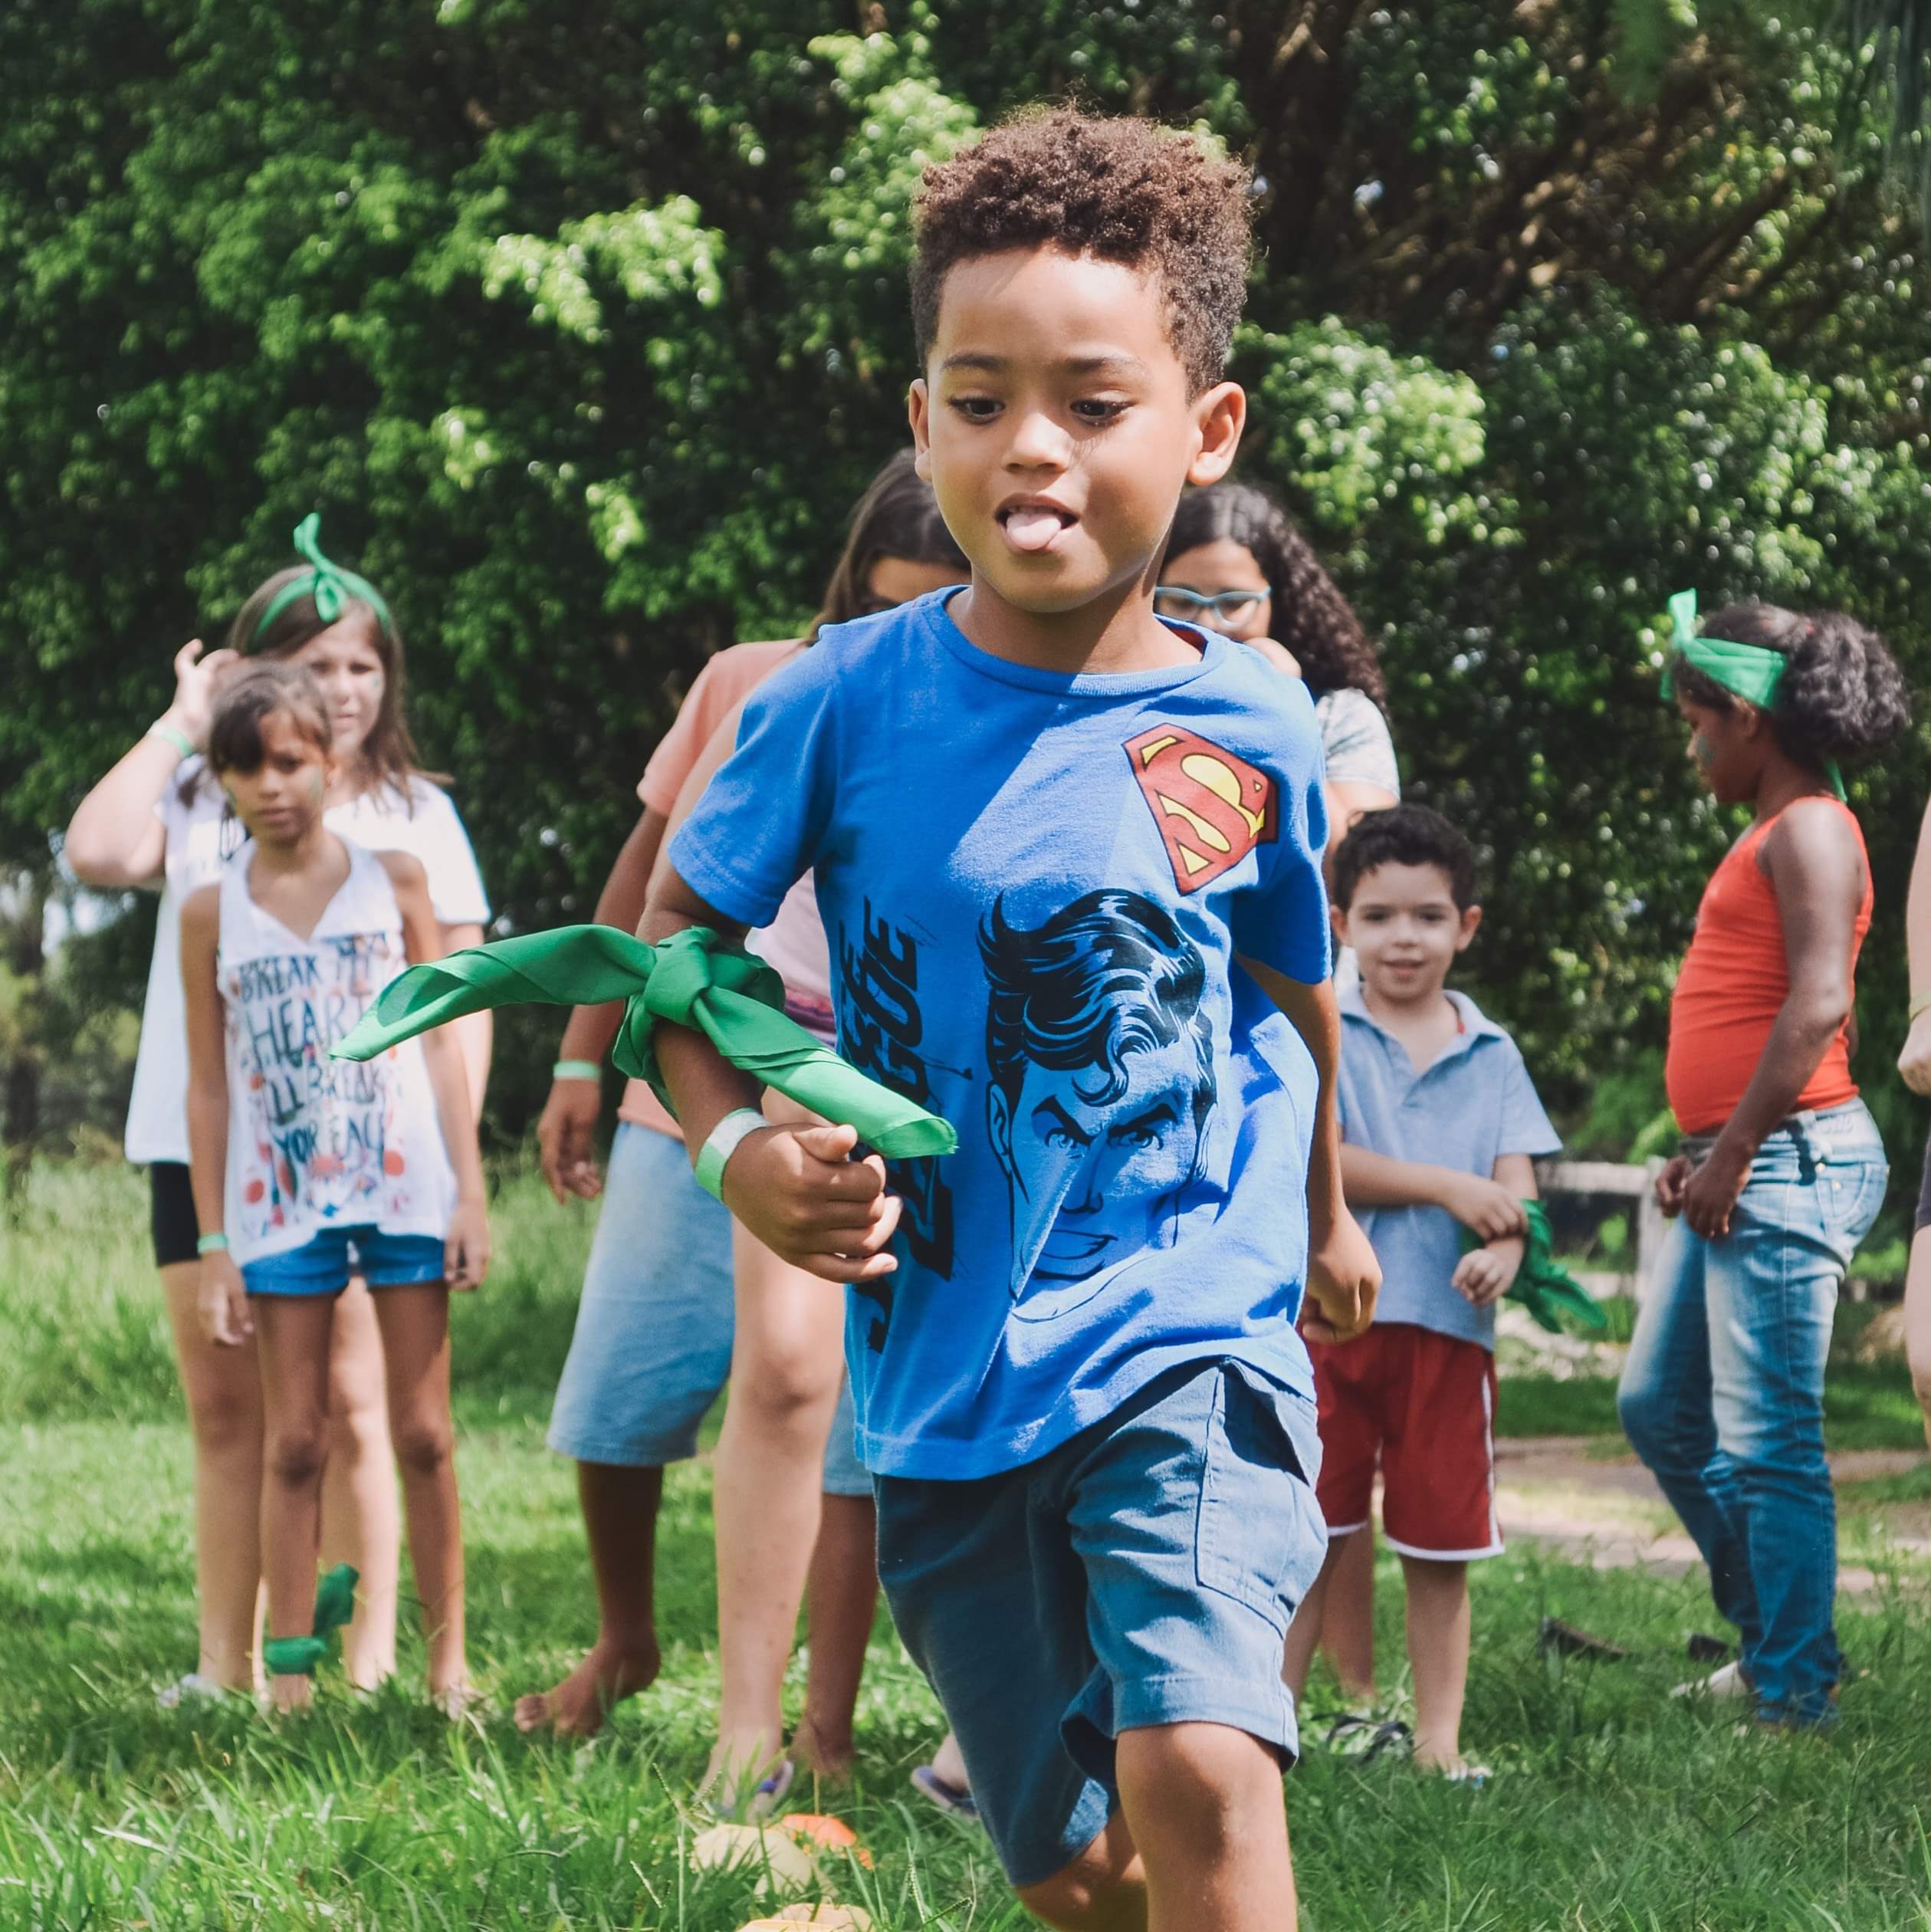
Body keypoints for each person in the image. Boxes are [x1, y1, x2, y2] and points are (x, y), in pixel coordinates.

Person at [642, 107, 1378, 1932]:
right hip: (952, 1371)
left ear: (1204, 429)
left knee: (1198, 1757)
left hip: (1187, 1324)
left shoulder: (1252, 725)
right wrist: (737, 1149)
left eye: (1089, 401)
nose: (1029, 448)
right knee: (1068, 1869)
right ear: (920, 426)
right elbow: (676, 949)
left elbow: (1290, 982)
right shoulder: (831, 702)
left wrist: (1324, 1214)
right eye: (977, 402)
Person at [515, 452, 966, 1806]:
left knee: (811, 1398)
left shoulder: (997, 710)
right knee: (624, 1396)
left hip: (869, 1078)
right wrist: (578, 1060)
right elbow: (649, 880)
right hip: (700, 1058)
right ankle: (639, 1647)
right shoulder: (759, 683)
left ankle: (794, 1728)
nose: (906, 643)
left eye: (935, 610)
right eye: (880, 609)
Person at [63, 518, 491, 1700]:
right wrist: (181, 719)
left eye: (360, 664)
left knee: (356, 1410)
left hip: (368, 1161)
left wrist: (456, 1176)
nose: (337, 688)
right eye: (307, 662)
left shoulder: (412, 820)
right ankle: (225, 1664)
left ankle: (362, 1662)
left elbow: (464, 1001)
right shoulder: (214, 793)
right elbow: (97, 849)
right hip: (202, 1151)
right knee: (227, 1407)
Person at [1618, 593, 1904, 1731]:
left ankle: (1792, 1689)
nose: (1689, 748)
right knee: (1656, 1408)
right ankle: (1782, 1645)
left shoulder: (1812, 830)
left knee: (1769, 1439)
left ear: (1741, 715)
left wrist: (1728, 1154)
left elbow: (1818, 1004)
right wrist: (1699, 1154)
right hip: (1740, 1158)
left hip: (1786, 1157)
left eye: (1693, 721)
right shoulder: (1769, 831)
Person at [182, 665, 490, 1714]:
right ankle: (289, 1682)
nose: (268, 786)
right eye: (241, 767)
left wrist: (469, 1192)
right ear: (220, 780)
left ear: (329, 762)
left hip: (403, 1185)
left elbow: (442, 1045)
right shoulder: (207, 913)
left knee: (421, 1432)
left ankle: (448, 1670)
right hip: (279, 1204)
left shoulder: (395, 878)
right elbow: (206, 1084)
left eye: (288, 762)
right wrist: (214, 1238)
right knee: (297, 1437)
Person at [1159, 476, 1398, 1701]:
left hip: (1288, 1052)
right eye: (1180, 597)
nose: (1208, 616)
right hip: (1160, 1053)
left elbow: (1328, 865)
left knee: (1287, 1383)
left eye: (1233, 602)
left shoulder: (1324, 714)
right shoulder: (1133, 696)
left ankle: (1285, 1679)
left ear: (1280, 604)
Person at [1279, 805, 1558, 1777]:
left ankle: (1438, 1745)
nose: (1404, 937)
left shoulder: (1493, 1051)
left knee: (1441, 1551)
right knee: (1309, 1536)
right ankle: (1268, 1735)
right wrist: (1448, 1187)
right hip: (1330, 1332)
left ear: (1465, 927)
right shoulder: (1323, 1028)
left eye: (1428, 917)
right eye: (1379, 915)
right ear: (1340, 922)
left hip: (1450, 1333)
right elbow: (1324, 1163)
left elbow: (1515, 1193)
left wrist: (1508, 1252)